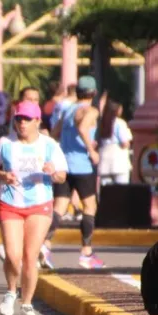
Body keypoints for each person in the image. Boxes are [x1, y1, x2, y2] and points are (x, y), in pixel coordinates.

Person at [0, 101, 67, 315]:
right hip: (10, 204)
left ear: (37, 121)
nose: (22, 123)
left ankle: (26, 304)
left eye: (27, 119)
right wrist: (2, 175)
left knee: (30, 256)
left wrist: (53, 172)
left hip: (40, 204)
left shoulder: (49, 145)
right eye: (18, 119)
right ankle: (10, 292)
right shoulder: (5, 143)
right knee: (13, 255)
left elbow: (62, 176)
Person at [47, 75, 104, 269]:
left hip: (65, 164)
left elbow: (54, 133)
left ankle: (45, 245)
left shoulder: (67, 109)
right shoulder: (92, 110)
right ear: (94, 93)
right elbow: (82, 127)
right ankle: (86, 252)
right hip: (82, 166)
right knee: (90, 206)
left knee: (60, 207)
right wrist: (91, 149)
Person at [97, 100, 133, 185]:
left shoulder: (100, 123)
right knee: (121, 190)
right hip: (119, 161)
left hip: (104, 159)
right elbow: (125, 143)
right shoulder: (120, 123)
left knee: (106, 191)